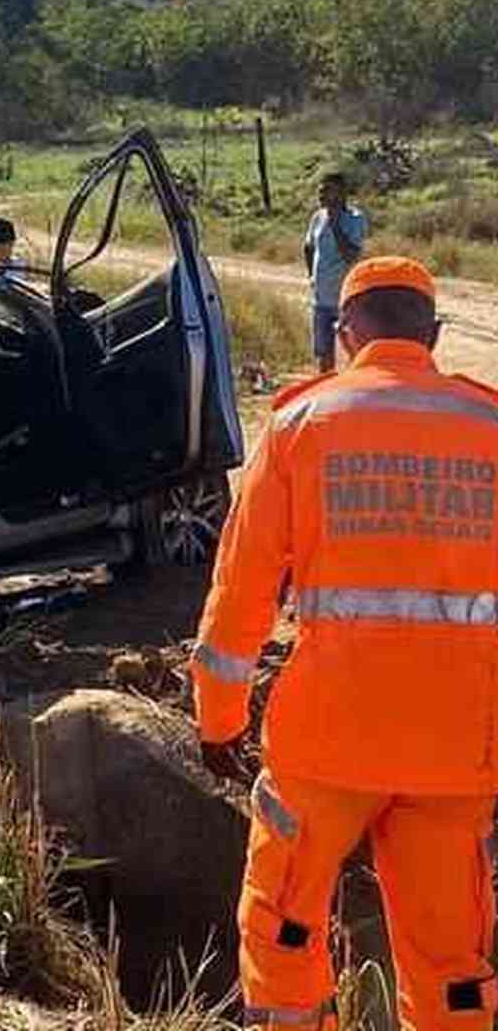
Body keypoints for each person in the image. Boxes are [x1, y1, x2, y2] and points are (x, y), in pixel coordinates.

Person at [192, 256, 498, 1031]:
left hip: (326, 747)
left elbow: (241, 593)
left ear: (345, 331)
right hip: (458, 753)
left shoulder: (301, 424)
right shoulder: (489, 427)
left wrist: (218, 719)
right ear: (431, 334)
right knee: (451, 959)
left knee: (285, 929)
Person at [304, 172, 366, 373]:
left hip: (346, 300)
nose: (321, 195)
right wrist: (311, 276)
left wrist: (334, 224)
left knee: (355, 352)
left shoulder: (355, 219)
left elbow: (351, 255)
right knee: (323, 354)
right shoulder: (317, 217)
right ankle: (327, 395)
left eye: (327, 191)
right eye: (320, 191)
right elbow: (308, 246)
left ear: (342, 193)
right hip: (321, 299)